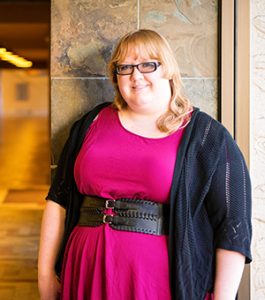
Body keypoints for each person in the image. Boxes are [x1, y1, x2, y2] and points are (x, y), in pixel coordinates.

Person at [38, 29, 252, 300]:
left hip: (157, 281)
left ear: (168, 70)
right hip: (84, 269)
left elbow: (233, 225)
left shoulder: (207, 136)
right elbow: (58, 200)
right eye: (124, 67)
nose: (135, 75)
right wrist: (45, 272)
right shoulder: (90, 123)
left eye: (148, 64)